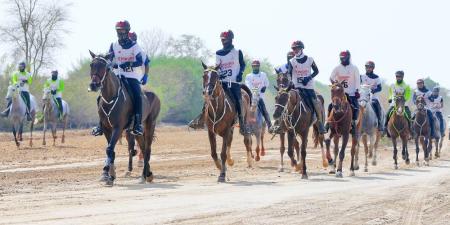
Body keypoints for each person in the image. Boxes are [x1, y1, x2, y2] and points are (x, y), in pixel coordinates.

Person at [188, 30, 249, 134]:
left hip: (234, 82)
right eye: (222, 39)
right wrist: (218, 74)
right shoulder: (218, 53)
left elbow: (243, 64)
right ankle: (202, 119)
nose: (223, 41)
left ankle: (242, 124)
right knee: (209, 95)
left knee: (238, 99)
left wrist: (240, 74)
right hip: (222, 82)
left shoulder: (237, 52)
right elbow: (218, 67)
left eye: (225, 39)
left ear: (230, 39)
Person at [91, 20, 146, 136]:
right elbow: (109, 58)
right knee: (100, 97)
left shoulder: (135, 46)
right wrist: (110, 63)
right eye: (118, 31)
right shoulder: (114, 45)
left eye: (123, 31)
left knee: (137, 96)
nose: (120, 33)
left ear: (127, 31)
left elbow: (140, 61)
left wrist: (128, 64)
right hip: (117, 75)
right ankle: (100, 125)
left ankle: (137, 125)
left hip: (131, 76)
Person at [287, 40, 326, 134]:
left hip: (308, 86)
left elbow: (316, 71)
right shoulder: (292, 61)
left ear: (301, 48)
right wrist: (291, 81)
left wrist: (308, 78)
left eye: (297, 48)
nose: (295, 50)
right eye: (294, 49)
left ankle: (320, 123)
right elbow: (289, 73)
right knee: (287, 100)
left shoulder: (310, 59)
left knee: (315, 102)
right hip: (297, 86)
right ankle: (282, 122)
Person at [328, 50, 361, 137]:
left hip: (351, 93)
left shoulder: (354, 68)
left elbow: (358, 80)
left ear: (348, 58)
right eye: (341, 58)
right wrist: (335, 84)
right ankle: (328, 123)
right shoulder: (337, 68)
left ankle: (353, 124)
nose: (343, 60)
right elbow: (331, 77)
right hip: (340, 93)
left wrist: (357, 90)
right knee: (330, 106)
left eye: (345, 58)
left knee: (356, 107)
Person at [385, 71, 414, 137]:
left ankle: (410, 130)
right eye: (397, 76)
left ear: (402, 77)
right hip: (394, 104)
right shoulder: (392, 85)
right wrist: (390, 98)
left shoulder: (406, 86)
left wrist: (403, 99)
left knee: (409, 116)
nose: (398, 78)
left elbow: (408, 95)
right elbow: (391, 93)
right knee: (387, 115)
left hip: (403, 104)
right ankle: (385, 129)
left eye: (399, 76)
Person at [245, 60, 272, 129]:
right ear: (252, 67)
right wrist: (255, 92)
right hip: (252, 97)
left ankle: (270, 125)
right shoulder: (248, 76)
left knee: (264, 110)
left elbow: (267, 83)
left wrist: (265, 87)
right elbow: (248, 86)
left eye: (256, 66)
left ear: (259, 66)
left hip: (261, 97)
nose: (255, 67)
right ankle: (245, 126)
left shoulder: (263, 74)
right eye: (254, 66)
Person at [360, 61, 384, 131]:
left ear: (373, 68)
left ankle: (380, 124)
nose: (368, 68)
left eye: (370, 67)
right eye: (367, 67)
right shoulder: (361, 77)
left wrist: (373, 91)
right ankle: (353, 123)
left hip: (373, 97)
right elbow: (357, 85)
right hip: (363, 97)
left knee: (377, 106)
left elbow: (380, 88)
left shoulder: (377, 77)